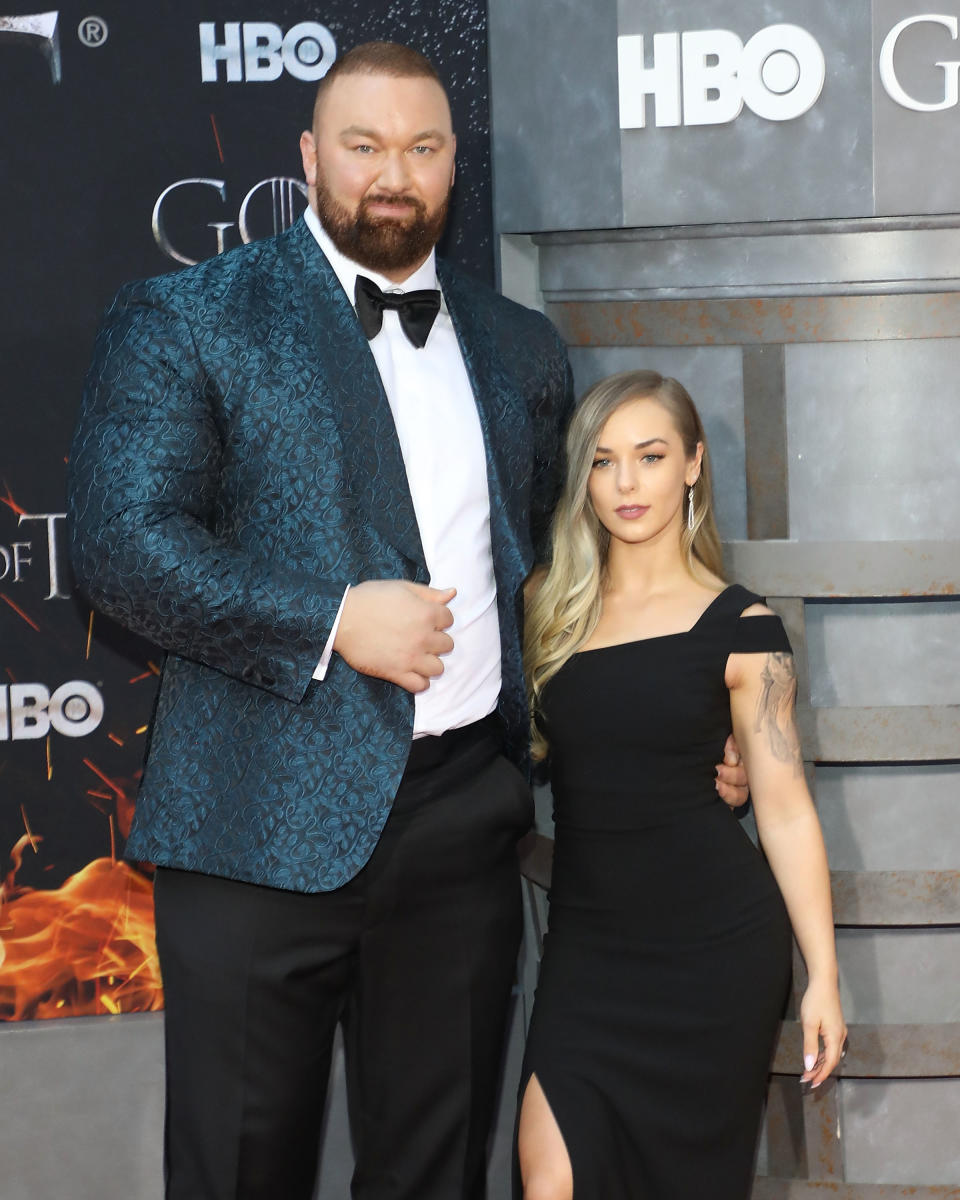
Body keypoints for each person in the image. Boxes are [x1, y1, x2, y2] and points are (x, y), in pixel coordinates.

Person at [68, 43, 749, 1200]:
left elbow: (563, 582)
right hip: (255, 838)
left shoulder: (517, 346)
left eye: (423, 148)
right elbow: (119, 548)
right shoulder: (191, 317)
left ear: (452, 167)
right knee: (239, 1175)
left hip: (460, 833)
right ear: (308, 157)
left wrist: (687, 734)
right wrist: (331, 620)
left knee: (436, 1174)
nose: (394, 174)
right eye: (365, 145)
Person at [517, 370, 846, 1200]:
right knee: (549, 1177)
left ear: (693, 465)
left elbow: (785, 812)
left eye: (651, 456)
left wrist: (825, 975)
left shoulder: (745, 629)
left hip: (715, 952)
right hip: (588, 951)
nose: (626, 484)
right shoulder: (547, 609)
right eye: (602, 461)